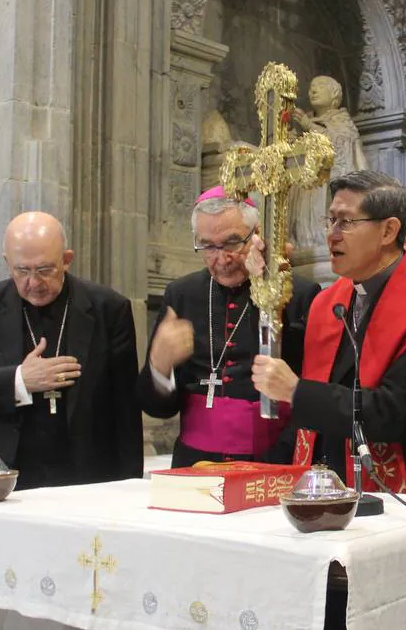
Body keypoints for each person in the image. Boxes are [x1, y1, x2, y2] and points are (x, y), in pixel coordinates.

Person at [251, 170, 406, 492]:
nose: (331, 235)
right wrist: (268, 288)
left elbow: (394, 412)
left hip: (400, 488)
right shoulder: (327, 302)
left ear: (389, 230)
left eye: (346, 222)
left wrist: (296, 391)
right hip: (325, 480)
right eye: (330, 221)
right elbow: (288, 363)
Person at [0, 212, 142, 487]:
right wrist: (19, 381)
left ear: (66, 260)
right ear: (8, 263)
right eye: (22, 270)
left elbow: (126, 411)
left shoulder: (109, 309)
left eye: (44, 270)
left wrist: (129, 488)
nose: (33, 283)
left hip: (88, 478)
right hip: (6, 477)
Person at [137, 187, 320, 466]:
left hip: (273, 463)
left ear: (256, 234)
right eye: (208, 246)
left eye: (232, 243)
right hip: (194, 466)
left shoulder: (298, 294)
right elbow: (156, 408)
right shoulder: (181, 294)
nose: (221, 259)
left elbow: (312, 393)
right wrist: (159, 368)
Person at [290, 76, 368, 254]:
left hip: (327, 183)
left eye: (320, 86)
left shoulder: (341, 120)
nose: (313, 91)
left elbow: (340, 144)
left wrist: (309, 126)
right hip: (306, 184)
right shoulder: (306, 119)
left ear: (334, 94)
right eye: (311, 88)